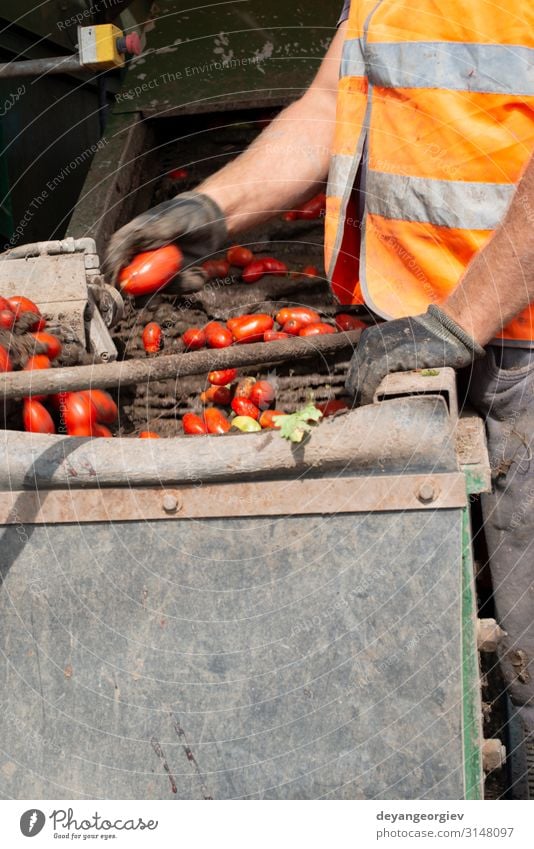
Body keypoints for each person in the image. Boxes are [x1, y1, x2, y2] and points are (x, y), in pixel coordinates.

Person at [105, 3, 534, 744]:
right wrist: (212, 208)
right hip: (419, 333)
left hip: (516, 344)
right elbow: (331, 106)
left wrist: (460, 320)